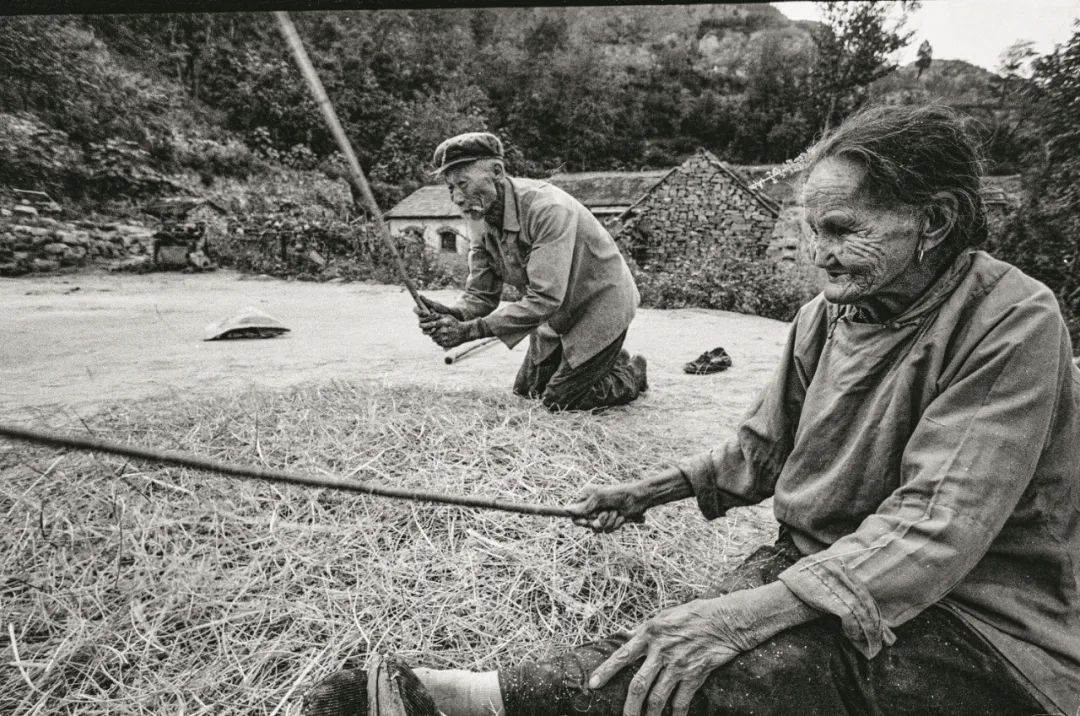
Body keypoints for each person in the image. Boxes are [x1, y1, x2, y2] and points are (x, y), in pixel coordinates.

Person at [305, 105, 1080, 716]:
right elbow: (762, 451)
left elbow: (934, 530)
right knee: (665, 644)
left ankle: (475, 702)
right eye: (812, 230)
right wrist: (646, 491)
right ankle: (502, 696)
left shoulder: (1012, 321)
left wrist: (749, 616)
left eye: (842, 230)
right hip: (815, 565)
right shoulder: (825, 317)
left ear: (936, 222)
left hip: (970, 612)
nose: (819, 253)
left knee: (735, 674)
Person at [414, 132, 647, 412]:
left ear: (497, 171)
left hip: (599, 307)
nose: (457, 198)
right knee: (527, 393)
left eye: (463, 183)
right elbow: (481, 294)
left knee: (559, 403)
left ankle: (629, 373)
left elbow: (545, 298)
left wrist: (469, 332)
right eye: (450, 188)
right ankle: (602, 362)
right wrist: (454, 314)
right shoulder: (480, 218)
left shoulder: (546, 209)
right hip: (556, 313)